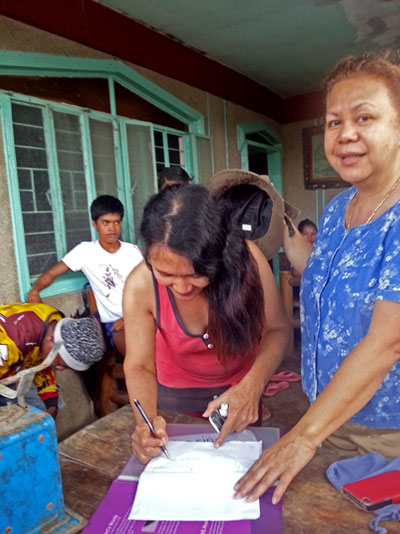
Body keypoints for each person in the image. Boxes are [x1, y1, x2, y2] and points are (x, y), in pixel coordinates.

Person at [234, 51, 400, 505]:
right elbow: (326, 277)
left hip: (388, 434)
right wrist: (277, 233)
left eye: (364, 117)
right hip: (329, 413)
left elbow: (389, 340)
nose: (346, 134)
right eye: (332, 122)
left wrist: (303, 437)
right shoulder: (337, 209)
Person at [122, 184, 290, 464]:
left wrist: (252, 387)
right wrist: (145, 424)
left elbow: (277, 330)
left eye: (195, 274)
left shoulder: (247, 262)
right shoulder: (140, 284)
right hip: (176, 401)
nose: (181, 287)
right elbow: (139, 364)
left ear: (219, 255)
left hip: (242, 392)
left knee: (242, 472)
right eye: (165, 274)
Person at [27, 195, 143, 355]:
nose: (112, 228)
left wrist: (130, 319)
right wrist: (35, 291)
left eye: (117, 222)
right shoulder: (85, 252)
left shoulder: (132, 252)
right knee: (136, 357)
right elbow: (52, 273)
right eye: (106, 222)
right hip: (115, 322)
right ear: (94, 224)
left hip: (140, 316)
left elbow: (148, 289)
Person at [0, 302, 105, 418]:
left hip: (9, 368)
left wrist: (51, 404)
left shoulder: (55, 324)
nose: (59, 369)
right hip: (5, 364)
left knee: (44, 411)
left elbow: (39, 360)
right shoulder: (11, 343)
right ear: (52, 340)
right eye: (61, 363)